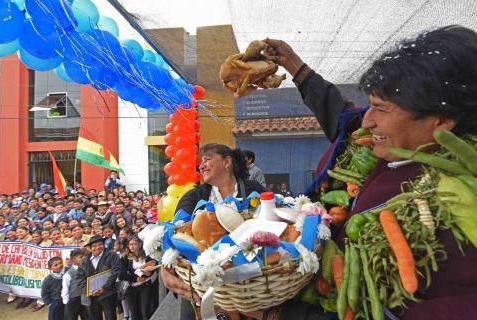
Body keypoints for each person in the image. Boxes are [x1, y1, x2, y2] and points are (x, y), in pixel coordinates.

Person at [233, 26, 477, 320]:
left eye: (380, 108)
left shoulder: (455, 214)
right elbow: (343, 116)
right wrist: (295, 66)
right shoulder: (395, 145)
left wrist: (282, 314)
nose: (368, 120)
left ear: (442, 121)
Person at [160, 143, 266, 320]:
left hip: (251, 286)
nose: (201, 166)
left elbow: (276, 223)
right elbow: (174, 234)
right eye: (200, 162)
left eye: (207, 159)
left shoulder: (254, 190)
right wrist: (165, 267)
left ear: (227, 162)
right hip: (201, 285)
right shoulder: (194, 197)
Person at [76, 235, 120, 320]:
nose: (98, 247)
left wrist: (104, 288)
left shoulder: (111, 254)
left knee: (110, 317)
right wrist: (89, 290)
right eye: (94, 246)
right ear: (89, 248)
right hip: (91, 297)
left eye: (100, 244)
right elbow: (79, 279)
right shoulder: (84, 261)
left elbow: (115, 272)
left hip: (108, 294)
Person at [119, 236, 156, 320]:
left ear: (139, 244)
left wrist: (149, 273)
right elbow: (121, 275)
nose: (132, 246)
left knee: (145, 310)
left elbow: (153, 266)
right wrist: (136, 278)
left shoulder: (147, 255)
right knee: (134, 311)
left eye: (134, 244)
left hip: (145, 285)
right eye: (130, 244)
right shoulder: (125, 257)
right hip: (132, 287)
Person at [62, 249, 88, 320]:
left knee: (86, 316)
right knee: (72, 317)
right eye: (81, 257)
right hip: (73, 300)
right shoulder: (68, 274)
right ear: (73, 260)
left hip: (85, 297)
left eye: (84, 256)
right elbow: (65, 289)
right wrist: (67, 302)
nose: (84, 258)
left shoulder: (87, 268)